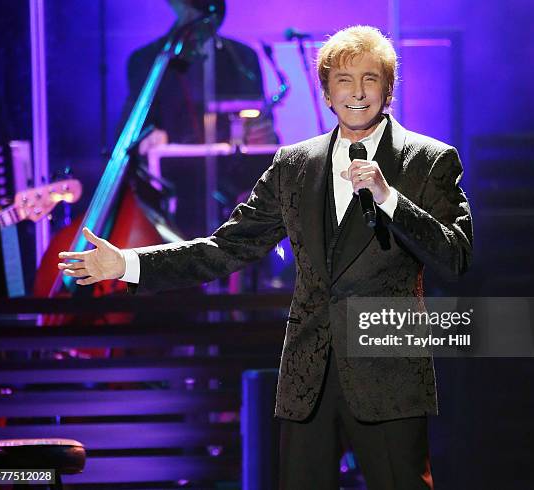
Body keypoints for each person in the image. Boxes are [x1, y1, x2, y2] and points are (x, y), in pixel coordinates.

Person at [59, 25, 473, 489]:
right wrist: (129, 264)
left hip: (389, 375)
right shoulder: (294, 165)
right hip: (308, 378)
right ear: (326, 92)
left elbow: (455, 255)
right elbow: (228, 246)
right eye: (344, 80)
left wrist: (389, 198)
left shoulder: (429, 159)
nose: (357, 92)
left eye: (370, 79)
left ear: (388, 88)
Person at [118, 0, 278, 155]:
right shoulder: (147, 60)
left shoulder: (243, 58)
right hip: (171, 176)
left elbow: (263, 127)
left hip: (235, 175)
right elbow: (130, 134)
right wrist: (148, 138)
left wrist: (265, 137)